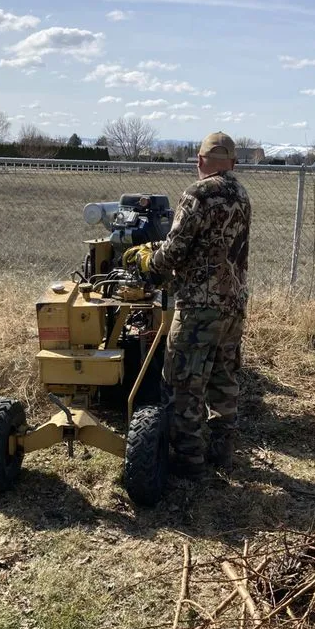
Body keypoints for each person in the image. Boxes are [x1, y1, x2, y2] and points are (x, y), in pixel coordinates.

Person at [124, 132, 252, 477]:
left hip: (198, 307)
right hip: (234, 304)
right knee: (224, 378)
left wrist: (148, 264)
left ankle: (188, 461)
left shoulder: (197, 194)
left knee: (184, 382)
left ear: (200, 161)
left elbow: (176, 248)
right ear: (233, 163)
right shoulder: (241, 195)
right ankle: (222, 452)